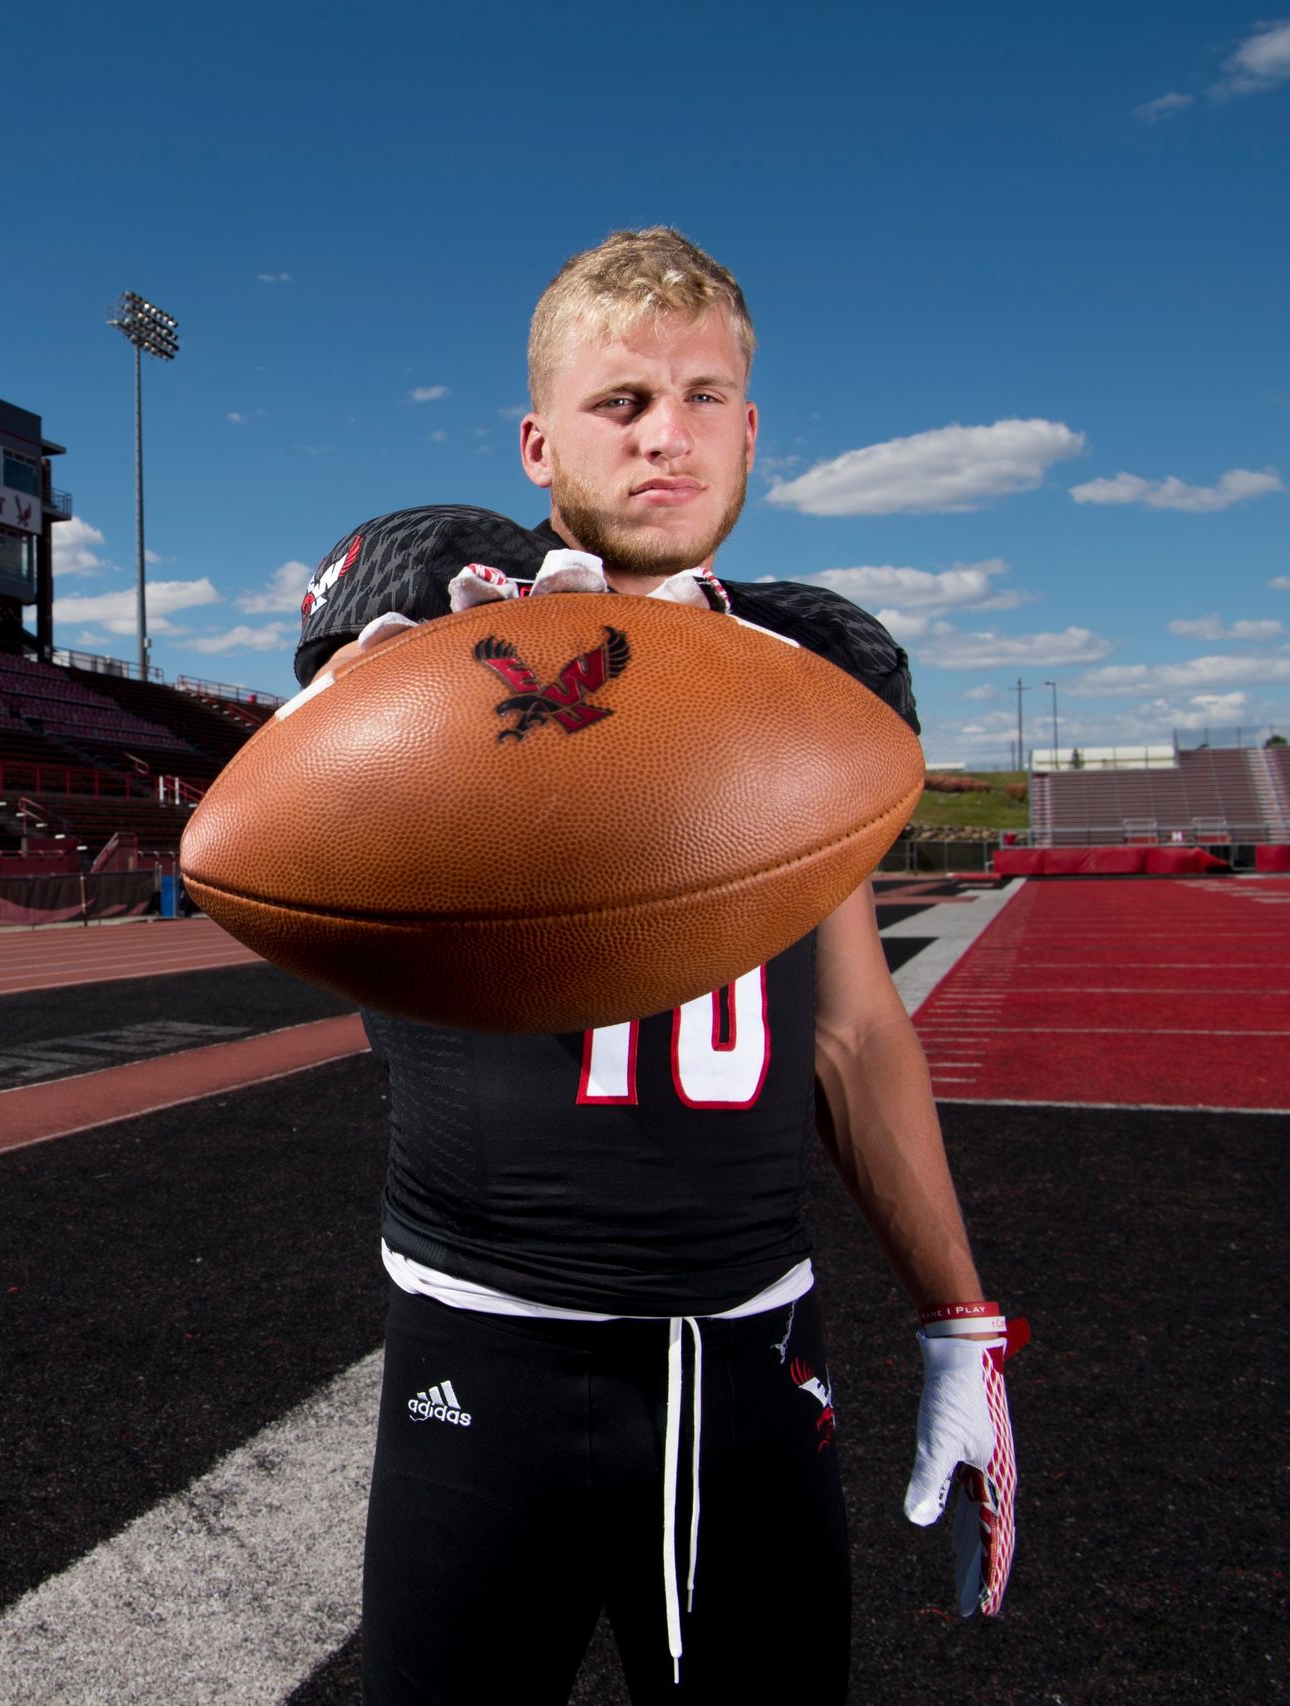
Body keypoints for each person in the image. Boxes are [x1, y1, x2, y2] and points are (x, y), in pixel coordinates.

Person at [290, 228, 1021, 1702]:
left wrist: (960, 1318)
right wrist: (400, 693)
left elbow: (854, 1033)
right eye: (622, 401)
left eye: (702, 397)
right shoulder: (439, 632)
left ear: (752, 431)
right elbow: (273, 823)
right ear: (539, 438)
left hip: (747, 1363)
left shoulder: (809, 683)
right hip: (475, 1359)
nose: (666, 435)